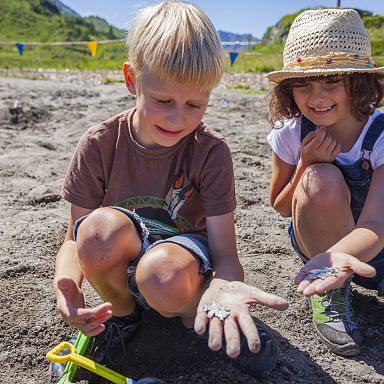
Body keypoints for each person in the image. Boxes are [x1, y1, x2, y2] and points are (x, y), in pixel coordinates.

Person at [52, 0, 288, 379]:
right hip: (125, 265)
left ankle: (200, 315)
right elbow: (73, 240)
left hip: (181, 268)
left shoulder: (210, 152)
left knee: (162, 275)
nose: (179, 118)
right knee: (95, 232)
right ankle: (124, 319)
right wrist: (66, 283)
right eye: (164, 101)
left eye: (196, 104)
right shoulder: (99, 144)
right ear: (132, 80)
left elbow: (226, 253)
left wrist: (222, 290)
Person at [266, 8, 384, 357]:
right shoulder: (290, 133)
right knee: (321, 179)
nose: (316, 98)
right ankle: (329, 293)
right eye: (303, 84)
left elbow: (376, 224)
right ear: (288, 89)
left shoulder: (379, 135)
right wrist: (306, 163)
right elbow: (281, 206)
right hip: (320, 245)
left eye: (332, 82)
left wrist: (342, 257)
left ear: (359, 82)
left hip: (376, 241)